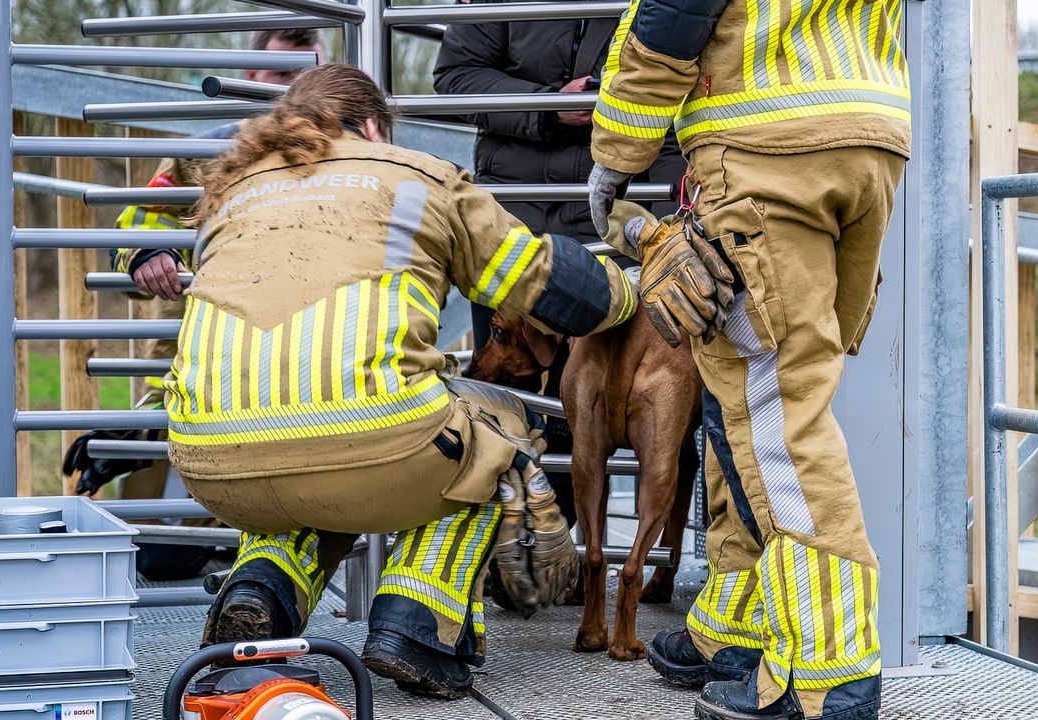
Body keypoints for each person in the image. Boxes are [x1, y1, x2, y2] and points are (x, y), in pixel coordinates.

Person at [166, 64, 640, 700]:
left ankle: (261, 596)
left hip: (212, 458)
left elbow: (157, 203)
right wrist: (629, 297)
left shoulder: (233, 186)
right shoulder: (419, 178)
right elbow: (543, 282)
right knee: (492, 427)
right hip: (376, 438)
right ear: (371, 127)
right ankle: (416, 629)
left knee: (300, 449)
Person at [588, 1, 911, 719]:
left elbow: (676, 9)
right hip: (868, 131)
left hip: (769, 143)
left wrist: (617, 154)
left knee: (777, 414)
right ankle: (741, 626)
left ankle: (827, 675)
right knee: (735, 395)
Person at [62, 29, 326, 581]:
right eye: (281, 74)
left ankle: (249, 548)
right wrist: (146, 252)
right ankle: (142, 446)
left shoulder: (344, 158)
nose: (294, 88)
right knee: (159, 553)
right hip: (195, 352)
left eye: (307, 72)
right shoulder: (207, 150)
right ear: (249, 77)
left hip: (299, 357)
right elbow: (136, 218)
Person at [433, 0, 687, 532]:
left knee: (630, 405)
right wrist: (547, 106)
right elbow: (455, 76)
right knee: (502, 399)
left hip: (629, 217)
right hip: (514, 224)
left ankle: (607, 557)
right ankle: (507, 551)